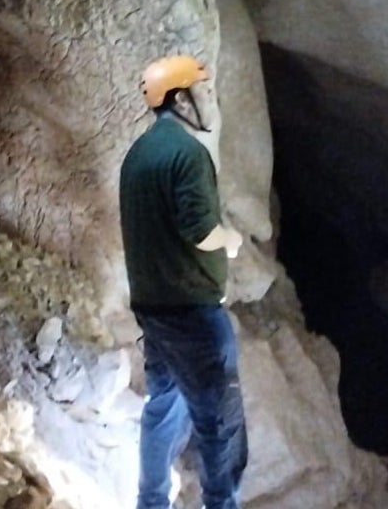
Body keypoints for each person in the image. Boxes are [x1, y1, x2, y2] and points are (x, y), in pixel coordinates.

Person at [119, 54, 249, 509]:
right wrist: (231, 239)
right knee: (220, 424)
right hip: (193, 313)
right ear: (180, 98)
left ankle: (150, 503)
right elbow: (200, 228)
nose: (207, 100)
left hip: (154, 311)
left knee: (164, 406)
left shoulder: (136, 156)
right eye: (201, 91)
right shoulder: (187, 155)